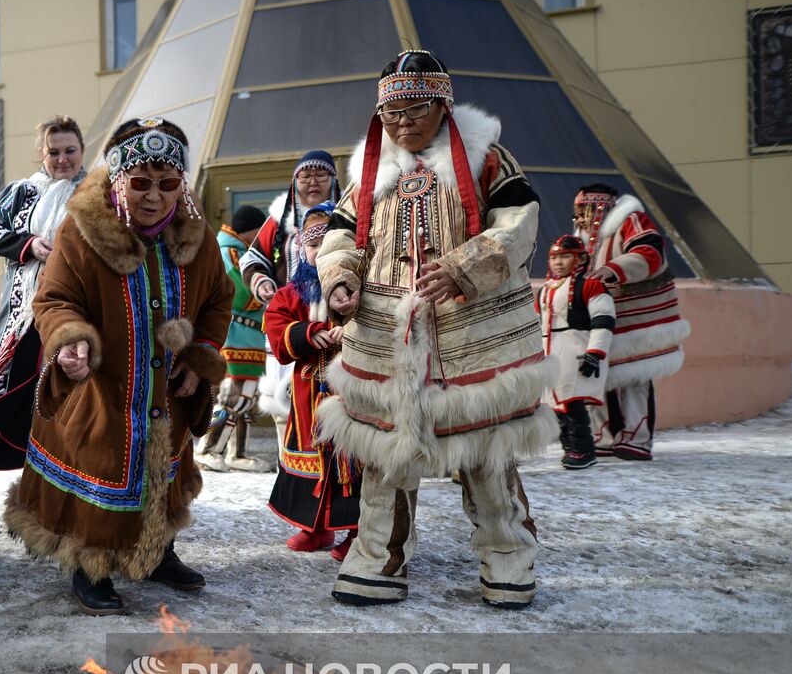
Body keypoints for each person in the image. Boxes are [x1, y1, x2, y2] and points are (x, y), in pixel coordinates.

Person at [316, 49, 556, 609]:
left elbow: (520, 225)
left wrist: (461, 268)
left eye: (415, 110)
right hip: (385, 338)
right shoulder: (369, 175)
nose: (402, 124)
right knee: (385, 455)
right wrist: (339, 281)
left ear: (443, 106)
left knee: (487, 452)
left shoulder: (487, 160)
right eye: (392, 114)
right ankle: (378, 558)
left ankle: (507, 558)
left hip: (473, 334)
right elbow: (341, 236)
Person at [3, 117, 234, 615]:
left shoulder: (196, 235)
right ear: (117, 179)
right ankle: (89, 566)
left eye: (168, 183)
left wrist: (201, 354)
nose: (154, 196)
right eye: (140, 183)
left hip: (166, 392)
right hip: (101, 390)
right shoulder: (81, 232)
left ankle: (157, 553)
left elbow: (218, 298)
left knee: (163, 477)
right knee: (101, 473)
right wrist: (69, 340)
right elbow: (55, 298)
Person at [0, 115, 86, 468]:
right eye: (54, 152)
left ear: (82, 150)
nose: (63, 159)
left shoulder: (96, 194)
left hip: (74, 314)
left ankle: (61, 489)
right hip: (21, 317)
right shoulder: (21, 191)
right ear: (42, 153)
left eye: (70, 150)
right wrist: (28, 244)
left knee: (67, 407)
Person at [264, 204, 361, 553]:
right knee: (310, 456)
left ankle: (358, 533)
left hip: (353, 394)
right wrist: (306, 333)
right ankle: (315, 527)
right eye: (312, 244)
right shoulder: (292, 292)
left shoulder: (358, 289)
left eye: (328, 244)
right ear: (301, 248)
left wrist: (347, 332)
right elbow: (275, 326)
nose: (319, 252)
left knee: (353, 460)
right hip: (307, 397)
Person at [573, 184, 690, 461]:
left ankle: (636, 437)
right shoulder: (582, 237)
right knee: (594, 377)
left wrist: (613, 269)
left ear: (598, 206)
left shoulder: (630, 221)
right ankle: (602, 437)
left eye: (583, 210)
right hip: (598, 320)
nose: (578, 217)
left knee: (635, 378)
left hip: (634, 319)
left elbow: (650, 252)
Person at [240, 151, 340, 438]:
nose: (312, 182)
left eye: (320, 175)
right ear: (294, 182)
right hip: (291, 318)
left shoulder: (349, 214)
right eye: (305, 176)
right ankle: (292, 464)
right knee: (284, 403)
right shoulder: (279, 220)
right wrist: (260, 281)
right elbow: (251, 259)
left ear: (333, 179)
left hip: (337, 320)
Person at [196, 204, 269, 472]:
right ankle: (208, 449)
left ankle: (236, 453)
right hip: (236, 335)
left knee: (246, 398)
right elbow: (239, 294)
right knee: (234, 395)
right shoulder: (230, 253)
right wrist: (265, 294)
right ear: (251, 230)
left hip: (247, 336)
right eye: (259, 230)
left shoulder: (238, 252)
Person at [537, 235, 616, 470]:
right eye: (554, 257)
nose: (558, 262)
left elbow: (604, 318)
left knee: (573, 403)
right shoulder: (545, 289)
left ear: (580, 258)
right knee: (557, 405)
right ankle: (569, 448)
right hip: (550, 350)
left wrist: (595, 352)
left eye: (564, 256)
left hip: (576, 348)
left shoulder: (591, 285)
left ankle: (583, 450)